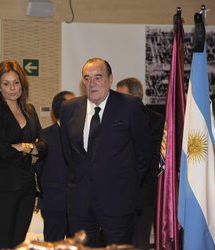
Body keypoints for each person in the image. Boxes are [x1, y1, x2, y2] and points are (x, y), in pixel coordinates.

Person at [60, 57, 151, 247]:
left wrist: (127, 187)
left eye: (98, 77)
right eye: (86, 78)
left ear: (110, 79)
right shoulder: (69, 108)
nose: (91, 83)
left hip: (118, 202)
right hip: (80, 203)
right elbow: (70, 155)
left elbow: (143, 155)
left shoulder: (130, 106)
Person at [0, 60, 48, 248]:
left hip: (27, 187)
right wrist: (29, 148)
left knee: (19, 243)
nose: (12, 88)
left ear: (22, 84)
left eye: (16, 82)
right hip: (3, 188)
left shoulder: (29, 110)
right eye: (6, 83)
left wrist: (23, 146)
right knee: (3, 242)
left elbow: (44, 144)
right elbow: (2, 150)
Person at [117, 77, 164, 250]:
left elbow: (153, 159)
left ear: (136, 97)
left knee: (139, 240)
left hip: (143, 191)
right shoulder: (113, 119)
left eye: (122, 96)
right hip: (116, 193)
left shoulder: (156, 120)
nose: (118, 101)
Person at [36, 90, 75, 242]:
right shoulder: (44, 137)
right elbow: (38, 169)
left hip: (78, 206)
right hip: (54, 205)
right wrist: (39, 197)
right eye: (74, 105)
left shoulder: (84, 135)